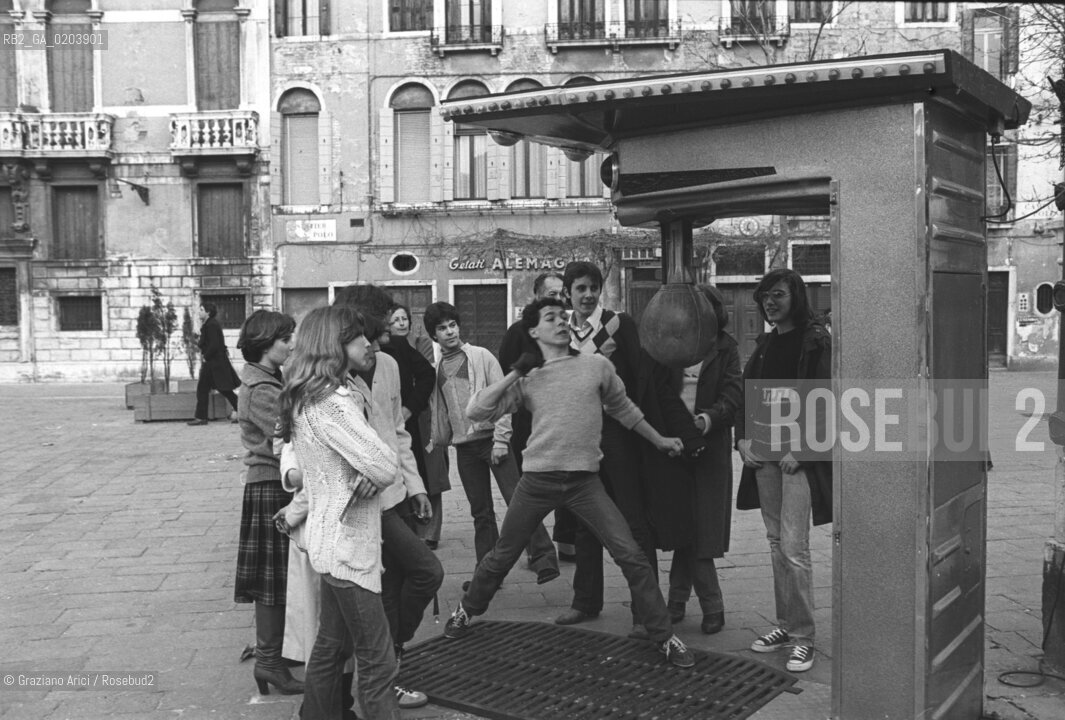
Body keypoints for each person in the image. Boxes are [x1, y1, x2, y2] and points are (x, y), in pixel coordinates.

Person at [442, 297, 695, 669]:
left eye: (564, 316)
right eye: (551, 318)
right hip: (537, 481)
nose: (561, 322)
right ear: (534, 330)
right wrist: (515, 373)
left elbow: (624, 409)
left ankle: (664, 636)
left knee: (632, 556)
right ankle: (467, 610)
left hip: (584, 483)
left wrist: (659, 440)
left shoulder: (597, 366)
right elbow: (476, 411)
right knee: (502, 556)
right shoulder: (529, 378)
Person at [278, 305, 402, 720]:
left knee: (331, 645)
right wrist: (371, 469)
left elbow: (365, 464)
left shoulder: (314, 396)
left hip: (330, 542)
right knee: (377, 659)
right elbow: (384, 464)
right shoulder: (330, 404)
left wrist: (368, 468)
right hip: (347, 549)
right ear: (334, 346)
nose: (369, 344)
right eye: (357, 338)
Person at [332, 285, 444, 710]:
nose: (383, 338)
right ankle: (381, 669)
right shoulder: (333, 374)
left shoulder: (393, 365)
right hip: (360, 503)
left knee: (398, 582)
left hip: (395, 492)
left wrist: (416, 487)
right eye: (378, 330)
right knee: (426, 571)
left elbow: (397, 431)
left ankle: (390, 661)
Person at [735, 268, 832, 674]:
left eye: (777, 295)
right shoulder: (765, 342)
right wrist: (741, 440)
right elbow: (746, 394)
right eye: (765, 297)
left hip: (796, 458)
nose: (769, 302)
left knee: (795, 547)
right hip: (765, 455)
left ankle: (804, 639)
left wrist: (805, 450)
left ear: (796, 296)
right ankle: (786, 625)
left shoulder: (815, 341)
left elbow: (827, 398)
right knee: (776, 543)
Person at [424, 301, 560, 586]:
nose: (449, 332)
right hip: (465, 448)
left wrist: (501, 439)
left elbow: (504, 396)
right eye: (442, 328)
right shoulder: (437, 369)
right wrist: (440, 439)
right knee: (480, 512)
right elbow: (442, 408)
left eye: (452, 325)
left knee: (518, 502)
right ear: (433, 335)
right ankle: (487, 575)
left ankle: (544, 558)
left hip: (492, 442)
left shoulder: (480, 356)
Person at [556, 261, 654, 636]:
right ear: (568, 293)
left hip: (617, 436)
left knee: (633, 521)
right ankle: (585, 601)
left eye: (593, 287)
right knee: (584, 522)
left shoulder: (618, 324)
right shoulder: (561, 330)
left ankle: (645, 611)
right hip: (580, 437)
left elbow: (640, 377)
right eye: (580, 288)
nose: (587, 294)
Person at [233, 309, 302, 696]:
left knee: (279, 576)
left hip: (276, 484)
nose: (291, 345)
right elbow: (289, 435)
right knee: (273, 578)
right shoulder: (261, 390)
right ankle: (270, 662)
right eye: (284, 339)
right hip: (270, 485)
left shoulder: (272, 380)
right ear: (264, 345)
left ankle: (274, 657)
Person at [666, 285, 742, 635]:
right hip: (674, 446)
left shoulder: (727, 348)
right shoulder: (672, 343)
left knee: (701, 530)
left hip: (709, 449)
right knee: (684, 525)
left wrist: (705, 420)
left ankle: (707, 605)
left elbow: (733, 395)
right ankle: (679, 602)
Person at [497, 272, 577, 561]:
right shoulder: (518, 332)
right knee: (530, 489)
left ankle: (567, 543)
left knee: (570, 478)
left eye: (560, 295)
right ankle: (536, 551)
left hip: (563, 418)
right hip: (527, 423)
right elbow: (505, 374)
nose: (558, 300)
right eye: (551, 294)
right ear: (536, 295)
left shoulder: (567, 328)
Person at [384, 303, 449, 550]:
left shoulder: (411, 344)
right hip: (395, 425)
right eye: (395, 319)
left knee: (429, 475)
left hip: (418, 420)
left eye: (404, 319)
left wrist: (409, 407)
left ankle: (430, 531)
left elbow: (427, 376)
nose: (401, 323)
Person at [188, 302, 241, 425]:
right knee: (217, 389)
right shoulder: (209, 324)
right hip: (214, 363)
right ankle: (201, 417)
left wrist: (206, 357)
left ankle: (201, 418)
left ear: (208, 312)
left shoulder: (211, 325)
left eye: (201, 309)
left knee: (219, 389)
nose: (199, 312)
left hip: (214, 363)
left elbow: (214, 344)